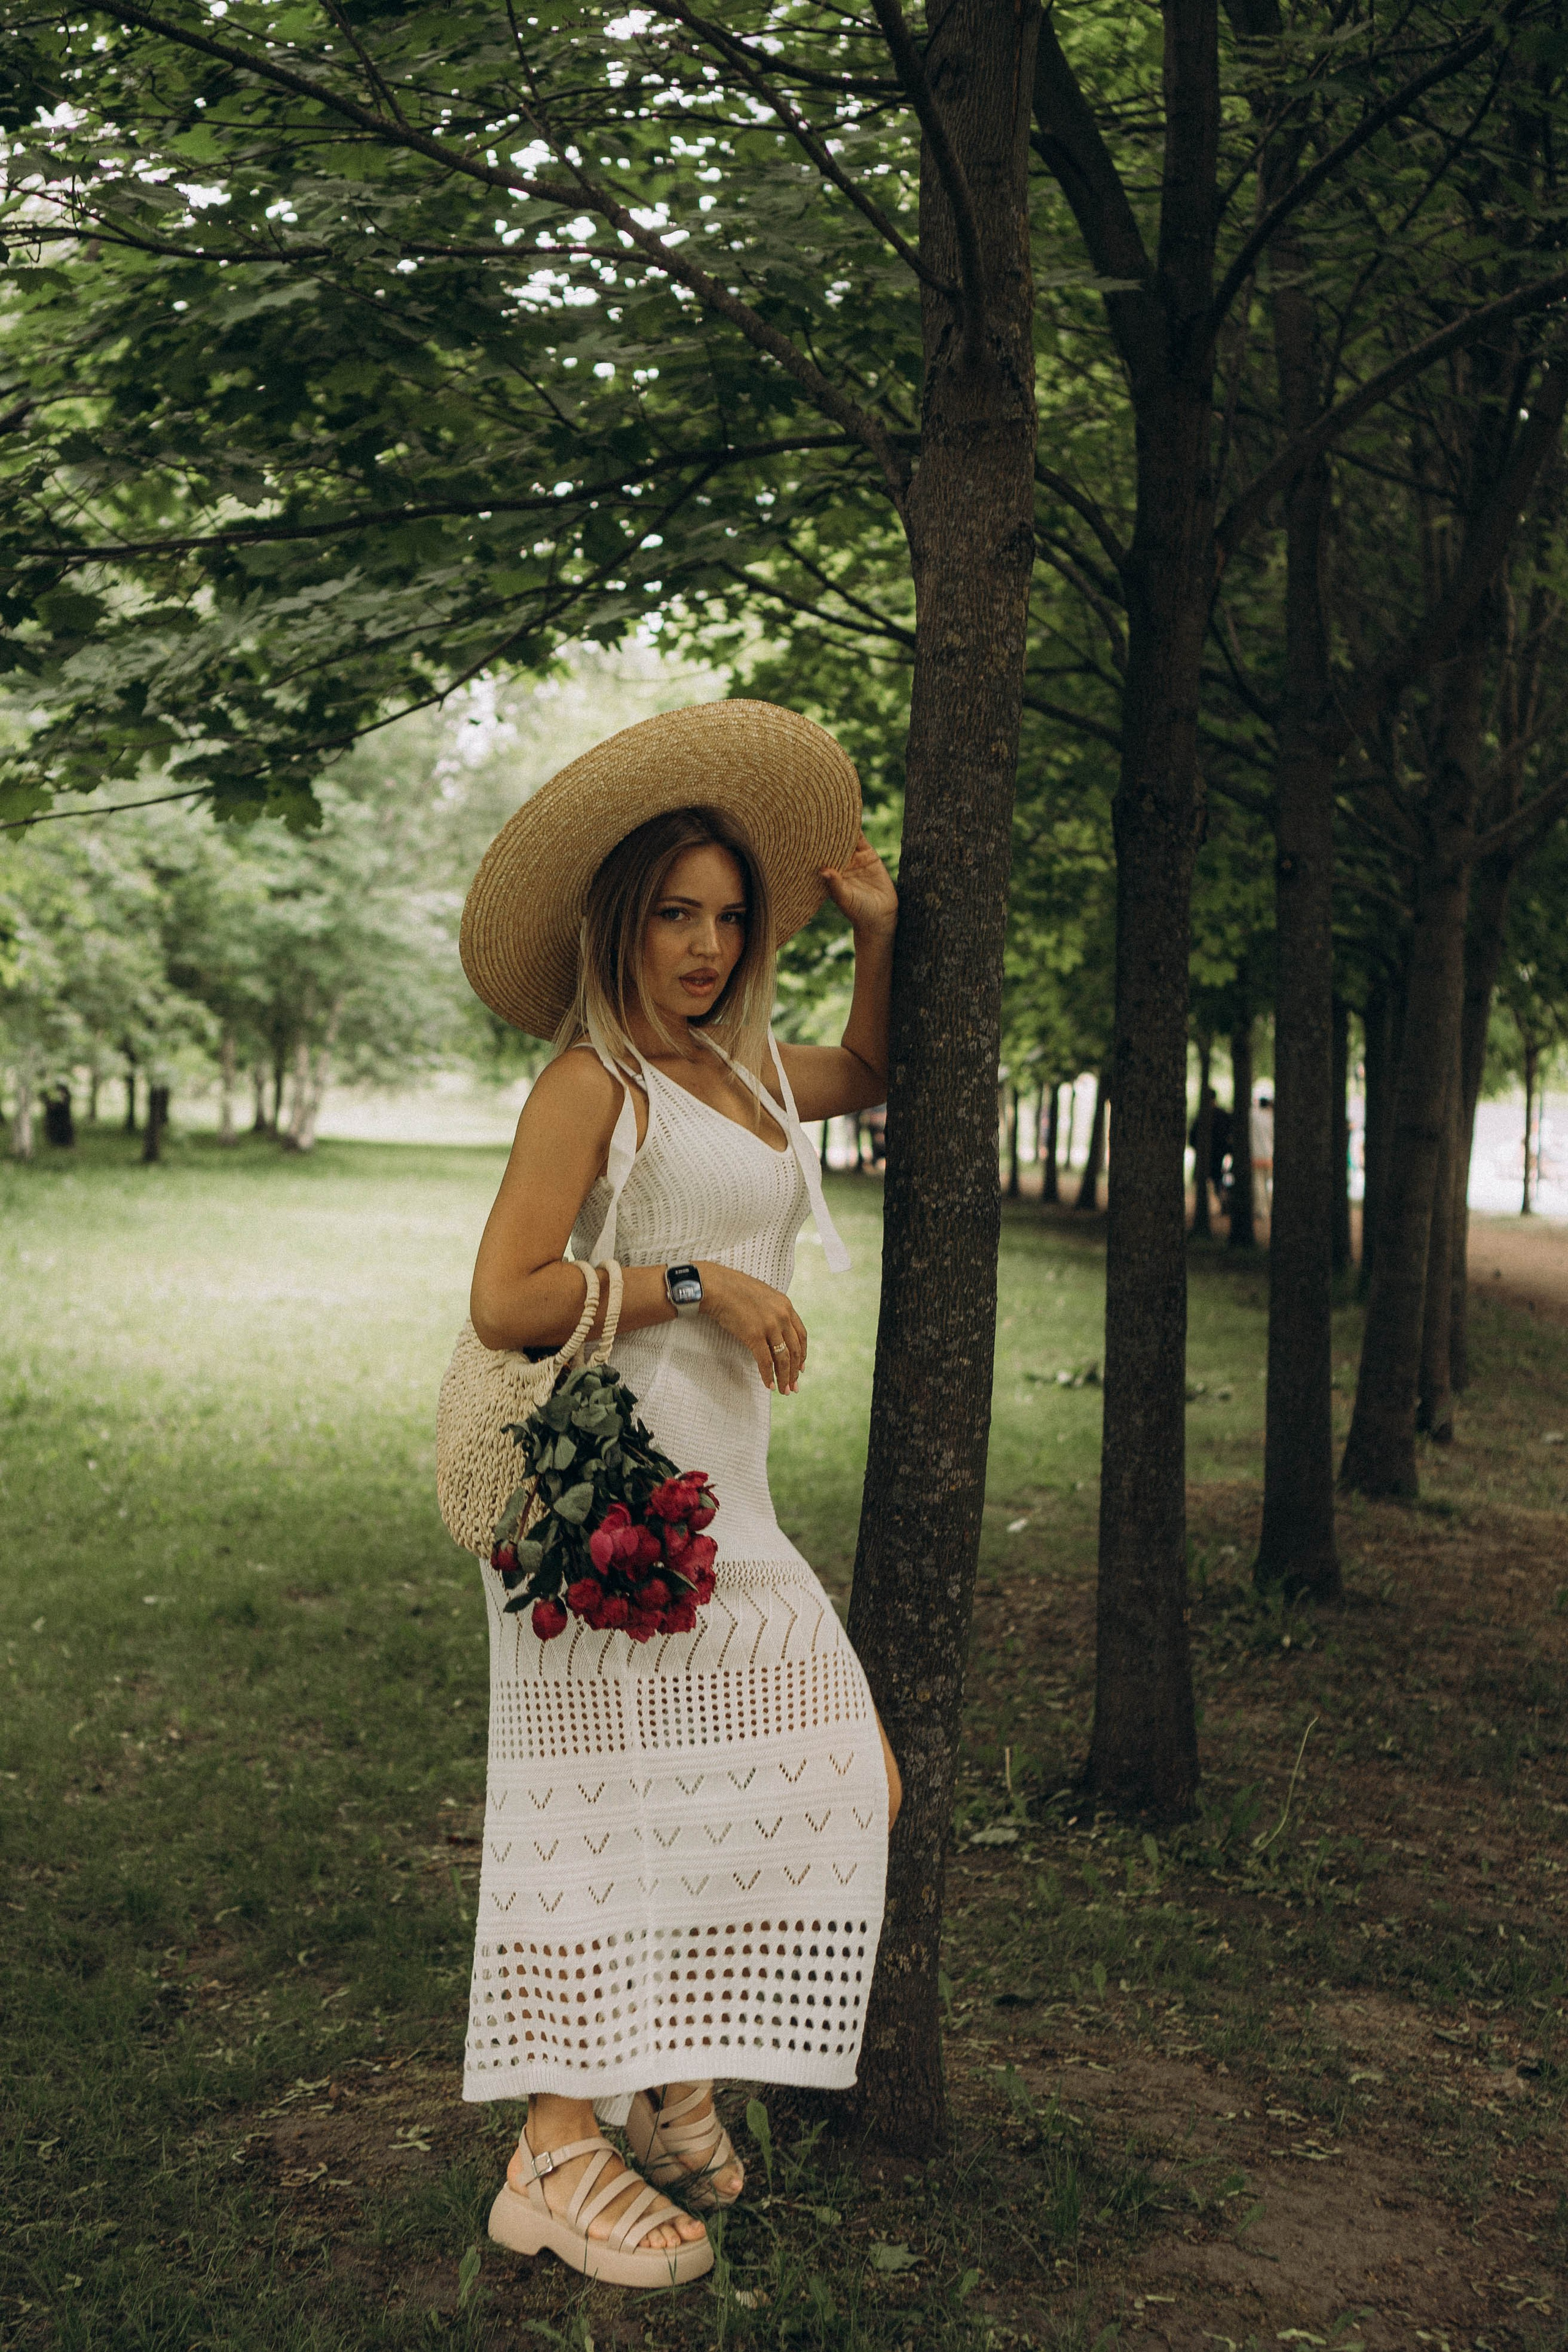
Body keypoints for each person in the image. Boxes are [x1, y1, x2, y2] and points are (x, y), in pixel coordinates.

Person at [458, 701, 902, 2288]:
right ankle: (552, 2146)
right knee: (605, 1823)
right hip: (614, 1508)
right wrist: (698, 1280)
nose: (707, 944)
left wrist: (881, 933)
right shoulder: (594, 1085)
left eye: (729, 916)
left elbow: (865, 1070)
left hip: (738, 1509)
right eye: (676, 913)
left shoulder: (741, 1073)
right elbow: (509, 1295)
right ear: (621, 921)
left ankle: (669, 2072)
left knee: (851, 1781)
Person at [1251, 1090, 1275, 1216]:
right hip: (1270, 1155)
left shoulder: (1253, 1117)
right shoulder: (1272, 1118)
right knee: (1269, 1184)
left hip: (1256, 1155)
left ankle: (1262, 1210)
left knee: (1259, 1185)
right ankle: (1270, 1208)